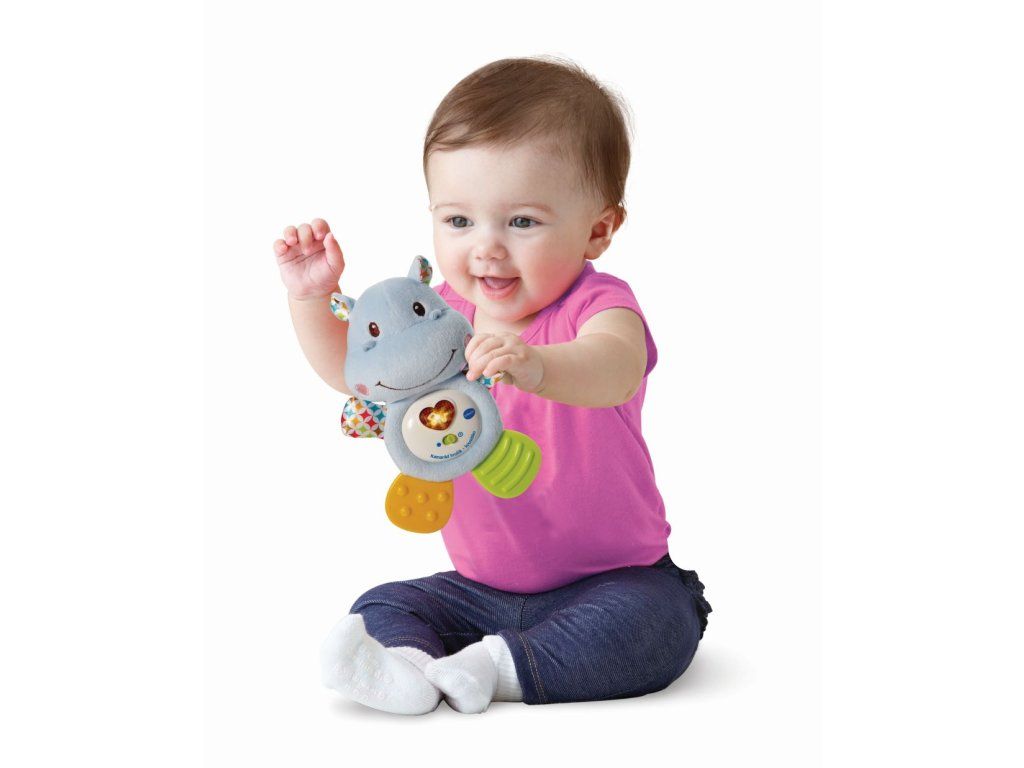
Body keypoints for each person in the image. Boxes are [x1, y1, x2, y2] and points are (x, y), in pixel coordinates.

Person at [273, 56, 711, 715]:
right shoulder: (440, 318)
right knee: (383, 606)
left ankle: (494, 667)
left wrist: (538, 366)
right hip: (481, 590)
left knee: (657, 628)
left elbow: (614, 366)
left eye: (522, 222)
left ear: (598, 229)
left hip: (616, 582)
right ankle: (411, 672)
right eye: (459, 221)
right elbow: (356, 376)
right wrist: (312, 299)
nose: (486, 248)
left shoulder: (598, 307)